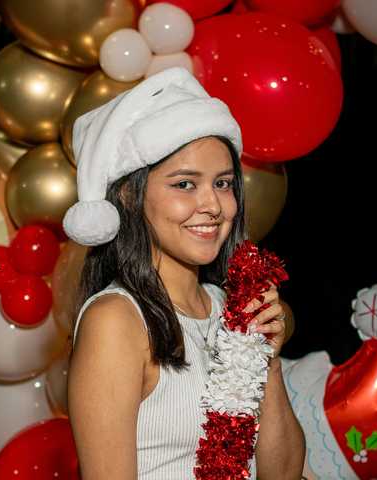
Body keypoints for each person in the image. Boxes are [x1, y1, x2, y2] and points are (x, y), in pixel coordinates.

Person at [64, 67, 305, 479]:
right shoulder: (116, 320)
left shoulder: (230, 306)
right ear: (130, 195)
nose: (213, 205)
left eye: (223, 183)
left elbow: (282, 475)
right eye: (185, 185)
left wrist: (268, 359)